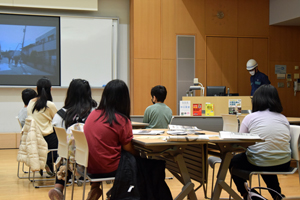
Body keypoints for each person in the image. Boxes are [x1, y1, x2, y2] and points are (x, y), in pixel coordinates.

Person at [229, 84, 291, 200]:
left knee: (234, 161)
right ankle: (277, 195)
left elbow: (240, 141)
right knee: (267, 158)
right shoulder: (283, 118)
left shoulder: (250, 118)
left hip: (261, 162)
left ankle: (246, 194)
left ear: (257, 100)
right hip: (284, 163)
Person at [83, 79, 138, 200]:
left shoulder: (93, 114)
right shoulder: (121, 120)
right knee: (134, 161)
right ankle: (117, 195)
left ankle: (95, 188)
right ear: (124, 99)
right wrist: (139, 154)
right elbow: (128, 148)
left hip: (89, 167)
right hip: (109, 168)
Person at [48, 79, 97, 200]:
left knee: (67, 158)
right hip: (90, 160)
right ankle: (95, 188)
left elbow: (56, 132)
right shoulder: (94, 113)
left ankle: (58, 188)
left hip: (69, 161)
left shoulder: (60, 115)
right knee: (94, 158)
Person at [27, 77, 58, 176]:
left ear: (37, 88)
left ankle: (44, 160)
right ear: (51, 89)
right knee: (64, 145)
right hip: (47, 138)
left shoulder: (30, 103)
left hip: (33, 137)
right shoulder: (49, 104)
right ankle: (47, 160)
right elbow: (57, 120)